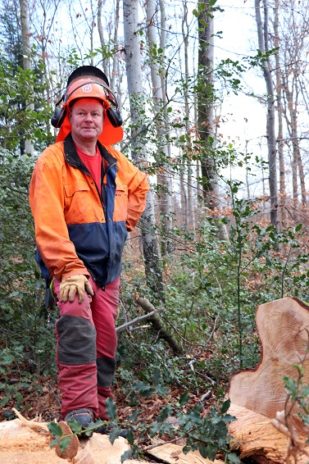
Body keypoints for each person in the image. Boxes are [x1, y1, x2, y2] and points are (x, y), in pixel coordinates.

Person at [29, 65, 149, 431]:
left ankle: (101, 409)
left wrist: (120, 228)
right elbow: (47, 224)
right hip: (73, 269)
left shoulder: (115, 160)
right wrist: (68, 267)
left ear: (105, 118)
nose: (88, 119)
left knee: (106, 340)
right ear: (69, 116)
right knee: (78, 329)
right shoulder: (52, 161)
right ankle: (78, 411)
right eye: (81, 112)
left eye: (95, 113)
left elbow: (141, 187)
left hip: (108, 271)